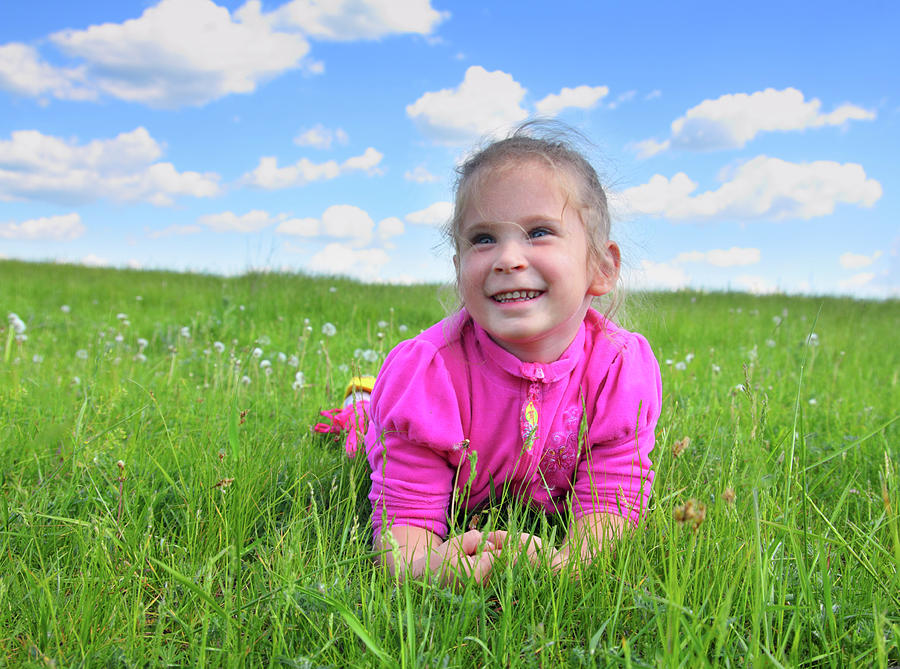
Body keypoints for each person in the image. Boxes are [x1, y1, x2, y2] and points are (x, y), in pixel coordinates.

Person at [365, 121, 662, 584]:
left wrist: (567, 564)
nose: (507, 258)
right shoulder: (429, 375)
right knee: (367, 428)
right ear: (459, 265)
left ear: (600, 268)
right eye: (482, 239)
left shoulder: (617, 369)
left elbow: (613, 498)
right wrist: (425, 568)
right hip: (416, 429)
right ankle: (361, 408)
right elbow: (405, 514)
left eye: (539, 231)